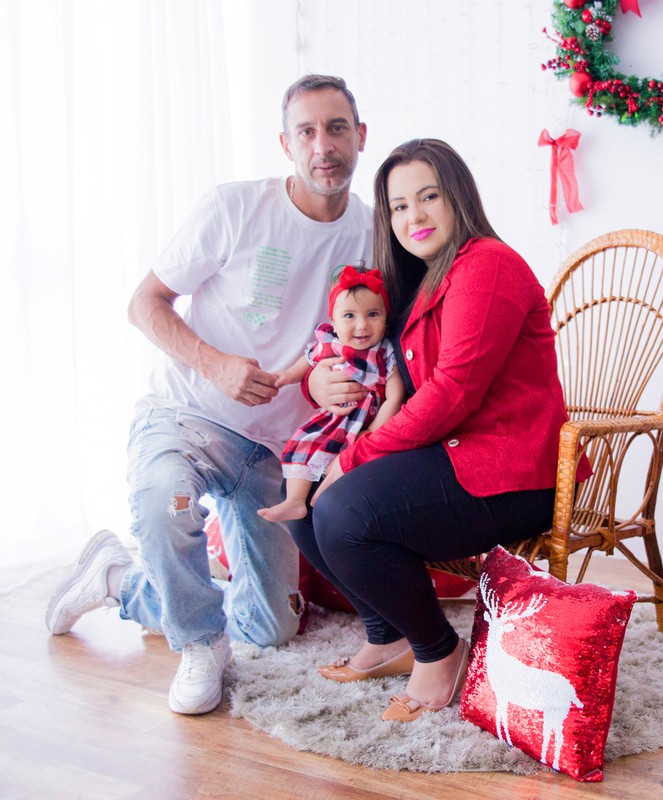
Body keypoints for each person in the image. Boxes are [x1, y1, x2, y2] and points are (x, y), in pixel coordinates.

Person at [45, 74, 373, 716]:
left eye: (337, 128)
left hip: (279, 456)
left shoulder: (373, 235)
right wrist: (215, 363)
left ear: (361, 137)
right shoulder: (234, 207)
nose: (323, 146)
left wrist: (334, 382)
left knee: (273, 627)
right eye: (306, 131)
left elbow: (363, 343)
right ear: (286, 144)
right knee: (165, 507)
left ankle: (116, 580)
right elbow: (144, 303)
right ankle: (198, 644)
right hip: (189, 419)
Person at [292, 138, 588, 721]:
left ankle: (438, 649)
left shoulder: (487, 265)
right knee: (298, 500)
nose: (414, 216)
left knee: (341, 510)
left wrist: (353, 459)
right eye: (399, 206)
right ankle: (388, 635)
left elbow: (453, 391)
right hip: (450, 457)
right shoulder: (423, 278)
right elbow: (364, 360)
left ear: (457, 197)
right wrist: (316, 384)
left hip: (512, 471)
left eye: (428, 196)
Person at [258, 266, 402, 523]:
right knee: (303, 446)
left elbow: (395, 395)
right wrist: (288, 376)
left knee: (352, 466)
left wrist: (375, 430)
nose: (362, 325)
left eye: (373, 314)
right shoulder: (330, 344)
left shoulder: (384, 351)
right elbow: (307, 362)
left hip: (368, 423)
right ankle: (294, 501)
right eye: (349, 315)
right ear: (333, 320)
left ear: (385, 317)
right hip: (334, 418)